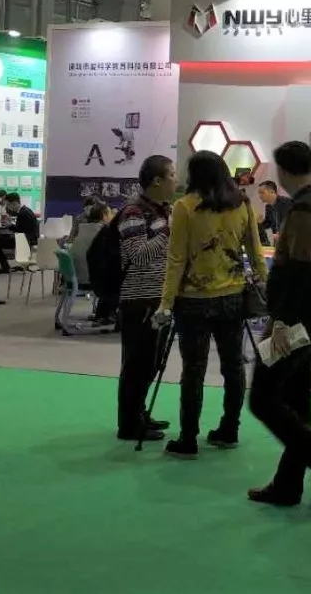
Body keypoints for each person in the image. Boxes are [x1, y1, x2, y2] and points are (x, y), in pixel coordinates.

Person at [248, 141, 311, 509]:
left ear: (284, 171)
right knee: (295, 401)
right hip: (308, 316)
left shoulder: (305, 209)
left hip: (293, 321)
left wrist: (280, 323)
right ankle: (288, 485)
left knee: (262, 398)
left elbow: (300, 272)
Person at [156, 151, 268, 459]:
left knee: (193, 369)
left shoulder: (184, 207)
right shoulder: (242, 204)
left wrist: (166, 303)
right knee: (233, 366)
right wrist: (265, 286)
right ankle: (229, 429)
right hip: (233, 297)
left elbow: (176, 260)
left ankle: (188, 438)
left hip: (193, 301)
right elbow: (256, 252)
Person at [115, 155, 178, 442]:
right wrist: (168, 230)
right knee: (136, 363)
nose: (176, 180)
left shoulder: (162, 210)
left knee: (151, 361)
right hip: (138, 298)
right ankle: (129, 424)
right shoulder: (134, 212)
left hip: (157, 297)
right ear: (157, 181)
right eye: (172, 175)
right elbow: (137, 255)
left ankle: (139, 412)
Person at [257, 180, 293, 245]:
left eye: (262, 193)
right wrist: (259, 223)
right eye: (259, 193)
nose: (260, 196)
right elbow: (268, 223)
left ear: (272, 192)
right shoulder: (268, 207)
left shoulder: (287, 203)